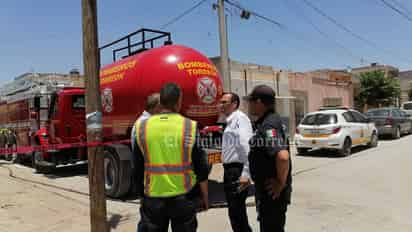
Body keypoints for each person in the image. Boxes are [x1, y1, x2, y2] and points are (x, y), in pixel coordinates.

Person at [132, 83, 209, 232]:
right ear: (179, 101)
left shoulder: (142, 127)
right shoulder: (190, 126)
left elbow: (137, 167)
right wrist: (205, 196)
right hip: (184, 198)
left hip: (153, 197)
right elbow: (201, 166)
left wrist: (142, 196)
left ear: (161, 101)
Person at [245, 85, 292, 232]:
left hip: (271, 196)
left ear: (258, 102)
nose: (249, 104)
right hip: (268, 194)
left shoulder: (269, 125)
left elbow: (283, 157)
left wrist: (280, 183)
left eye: (250, 101)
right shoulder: (269, 121)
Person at [218, 92, 253, 232]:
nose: (221, 105)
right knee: (236, 212)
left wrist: (245, 173)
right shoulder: (230, 121)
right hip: (230, 170)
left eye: (224, 102)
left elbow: (246, 147)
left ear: (234, 104)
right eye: (220, 102)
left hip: (236, 171)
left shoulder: (240, 119)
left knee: (237, 213)